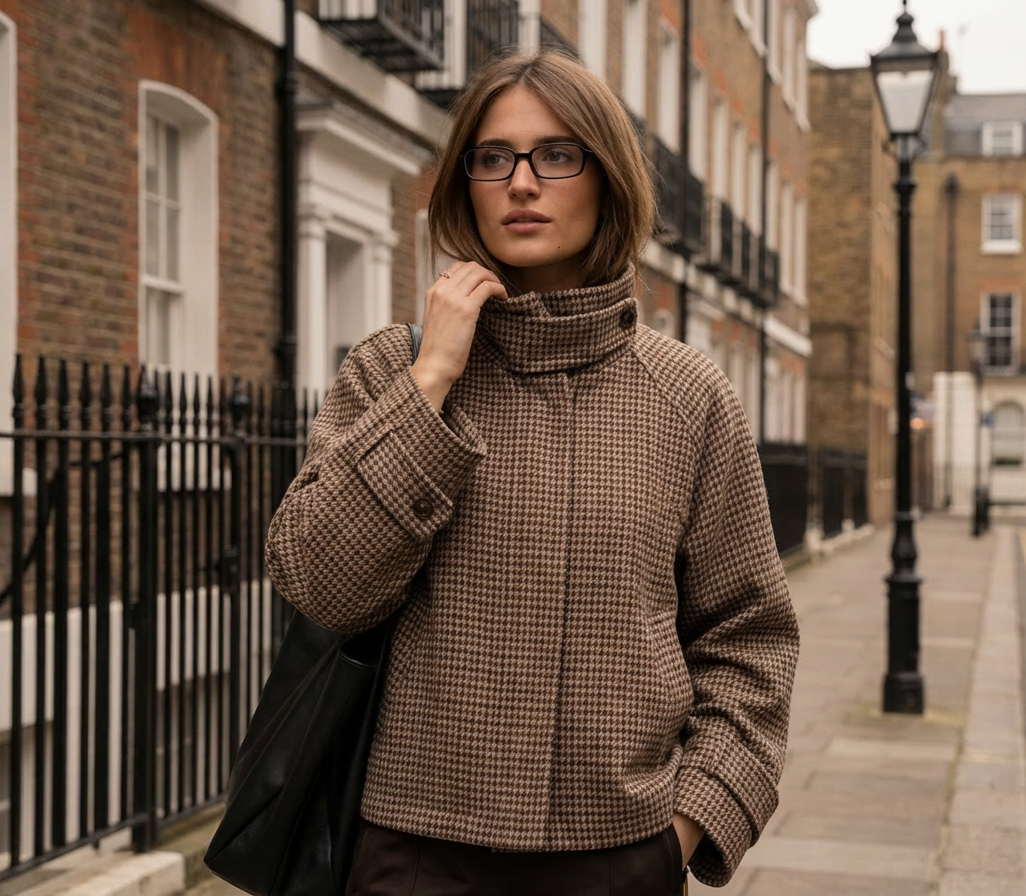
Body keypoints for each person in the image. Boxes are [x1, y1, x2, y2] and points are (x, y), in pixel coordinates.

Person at [265, 49, 798, 896]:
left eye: (555, 155)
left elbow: (749, 637)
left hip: (619, 855)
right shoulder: (390, 371)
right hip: (413, 855)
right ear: (466, 184)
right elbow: (320, 584)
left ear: (607, 176)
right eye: (493, 157)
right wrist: (431, 380)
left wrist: (683, 829)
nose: (521, 182)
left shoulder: (689, 395)